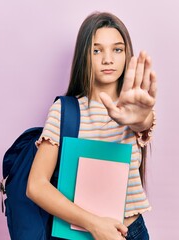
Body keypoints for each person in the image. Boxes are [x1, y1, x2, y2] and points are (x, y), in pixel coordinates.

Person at [27, 11, 157, 240]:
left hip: (132, 231)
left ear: (127, 54)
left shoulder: (135, 108)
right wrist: (94, 224)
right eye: (96, 50)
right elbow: (36, 186)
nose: (108, 59)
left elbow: (142, 122)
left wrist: (141, 118)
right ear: (83, 56)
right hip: (80, 233)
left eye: (117, 49)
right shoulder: (65, 111)